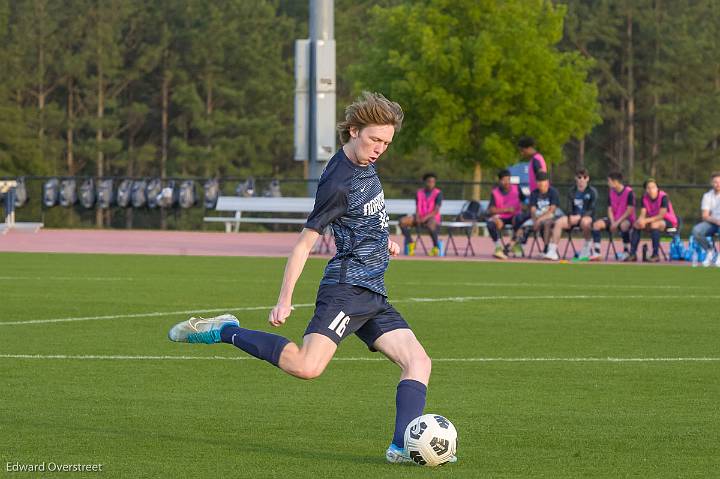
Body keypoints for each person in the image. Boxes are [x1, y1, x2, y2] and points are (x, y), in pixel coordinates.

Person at [166, 92, 455, 465]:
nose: (380, 149)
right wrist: (285, 298)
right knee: (307, 366)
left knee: (419, 362)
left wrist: (386, 241)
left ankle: (401, 447)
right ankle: (224, 330)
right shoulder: (337, 181)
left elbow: (365, 216)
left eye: (386, 142)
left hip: (373, 292)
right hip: (347, 290)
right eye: (374, 140)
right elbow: (304, 244)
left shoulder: (366, 163)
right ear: (353, 131)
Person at [545, 168, 598, 261]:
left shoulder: (592, 191)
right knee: (559, 222)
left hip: (586, 217)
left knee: (585, 222)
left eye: (584, 177)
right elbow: (568, 207)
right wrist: (569, 217)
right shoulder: (571, 191)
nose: (582, 180)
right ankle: (552, 251)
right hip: (573, 218)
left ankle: (587, 247)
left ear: (588, 179)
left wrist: (581, 217)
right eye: (579, 177)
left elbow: (592, 209)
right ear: (576, 178)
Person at [625, 178, 678, 262]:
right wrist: (640, 220)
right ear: (646, 190)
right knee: (637, 224)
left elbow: (661, 216)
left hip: (672, 227)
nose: (651, 190)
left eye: (653, 187)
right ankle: (632, 254)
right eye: (648, 188)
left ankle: (655, 254)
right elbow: (643, 213)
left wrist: (645, 221)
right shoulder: (644, 197)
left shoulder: (663, 197)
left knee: (654, 224)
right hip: (653, 223)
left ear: (657, 188)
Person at [590, 171, 636, 261]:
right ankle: (597, 252)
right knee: (596, 225)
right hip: (614, 219)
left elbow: (629, 210)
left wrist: (617, 223)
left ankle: (626, 251)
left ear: (615, 182)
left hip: (626, 219)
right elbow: (610, 209)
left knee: (624, 225)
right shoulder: (611, 192)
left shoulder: (629, 192)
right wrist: (613, 221)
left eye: (609, 181)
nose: (608, 183)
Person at [486, 169, 527, 260]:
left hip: (515, 216)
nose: (507, 182)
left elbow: (526, 201)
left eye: (508, 179)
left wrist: (524, 206)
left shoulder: (517, 188)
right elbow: (491, 209)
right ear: (499, 181)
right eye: (504, 180)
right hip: (501, 217)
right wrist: (506, 210)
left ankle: (514, 244)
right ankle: (498, 247)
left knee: (520, 220)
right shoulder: (495, 192)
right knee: (491, 224)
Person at [515, 171, 559, 255]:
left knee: (547, 223)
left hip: (550, 217)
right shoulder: (534, 193)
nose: (540, 183)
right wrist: (535, 220)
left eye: (542, 181)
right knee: (523, 225)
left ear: (547, 182)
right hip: (537, 217)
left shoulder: (553, 192)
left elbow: (552, 210)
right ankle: (519, 245)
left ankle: (546, 249)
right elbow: (533, 209)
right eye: (538, 181)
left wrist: (539, 220)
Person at [399, 173, 443, 256]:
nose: (431, 183)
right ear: (425, 182)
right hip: (419, 217)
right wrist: (418, 216)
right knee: (402, 221)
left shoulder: (438, 193)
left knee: (431, 224)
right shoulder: (419, 192)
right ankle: (411, 243)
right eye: (429, 181)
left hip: (432, 218)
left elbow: (436, 210)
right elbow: (417, 206)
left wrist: (425, 218)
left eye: (433, 182)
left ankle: (435, 247)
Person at [691, 172, 720, 267]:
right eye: (716, 182)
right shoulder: (707, 196)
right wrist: (716, 221)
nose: (718, 184)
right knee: (696, 230)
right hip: (712, 223)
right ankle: (710, 251)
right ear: (712, 183)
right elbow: (705, 215)